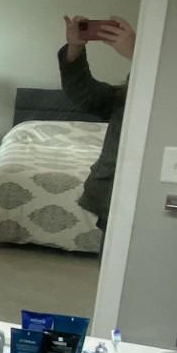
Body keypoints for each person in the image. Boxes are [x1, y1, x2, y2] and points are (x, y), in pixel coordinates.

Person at [58, 15, 135, 231]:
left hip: (139, 192)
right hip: (110, 193)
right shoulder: (125, 95)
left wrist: (138, 54)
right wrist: (74, 49)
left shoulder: (164, 80)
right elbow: (86, 95)